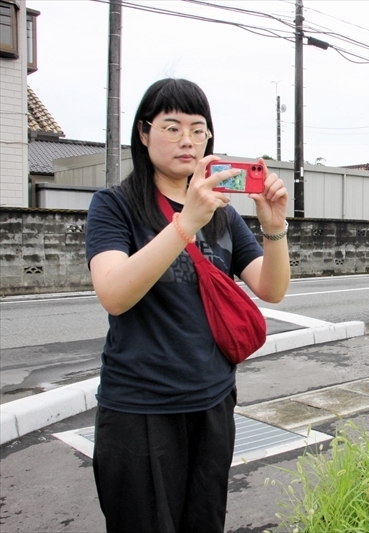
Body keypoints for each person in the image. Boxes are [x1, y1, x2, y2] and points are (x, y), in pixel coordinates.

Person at [85, 78, 290, 533]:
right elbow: (114, 294)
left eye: (199, 130)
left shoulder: (224, 213)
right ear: (144, 133)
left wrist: (274, 228)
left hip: (212, 403)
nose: (188, 141)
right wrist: (186, 222)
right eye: (172, 127)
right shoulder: (114, 206)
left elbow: (271, 289)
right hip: (140, 409)